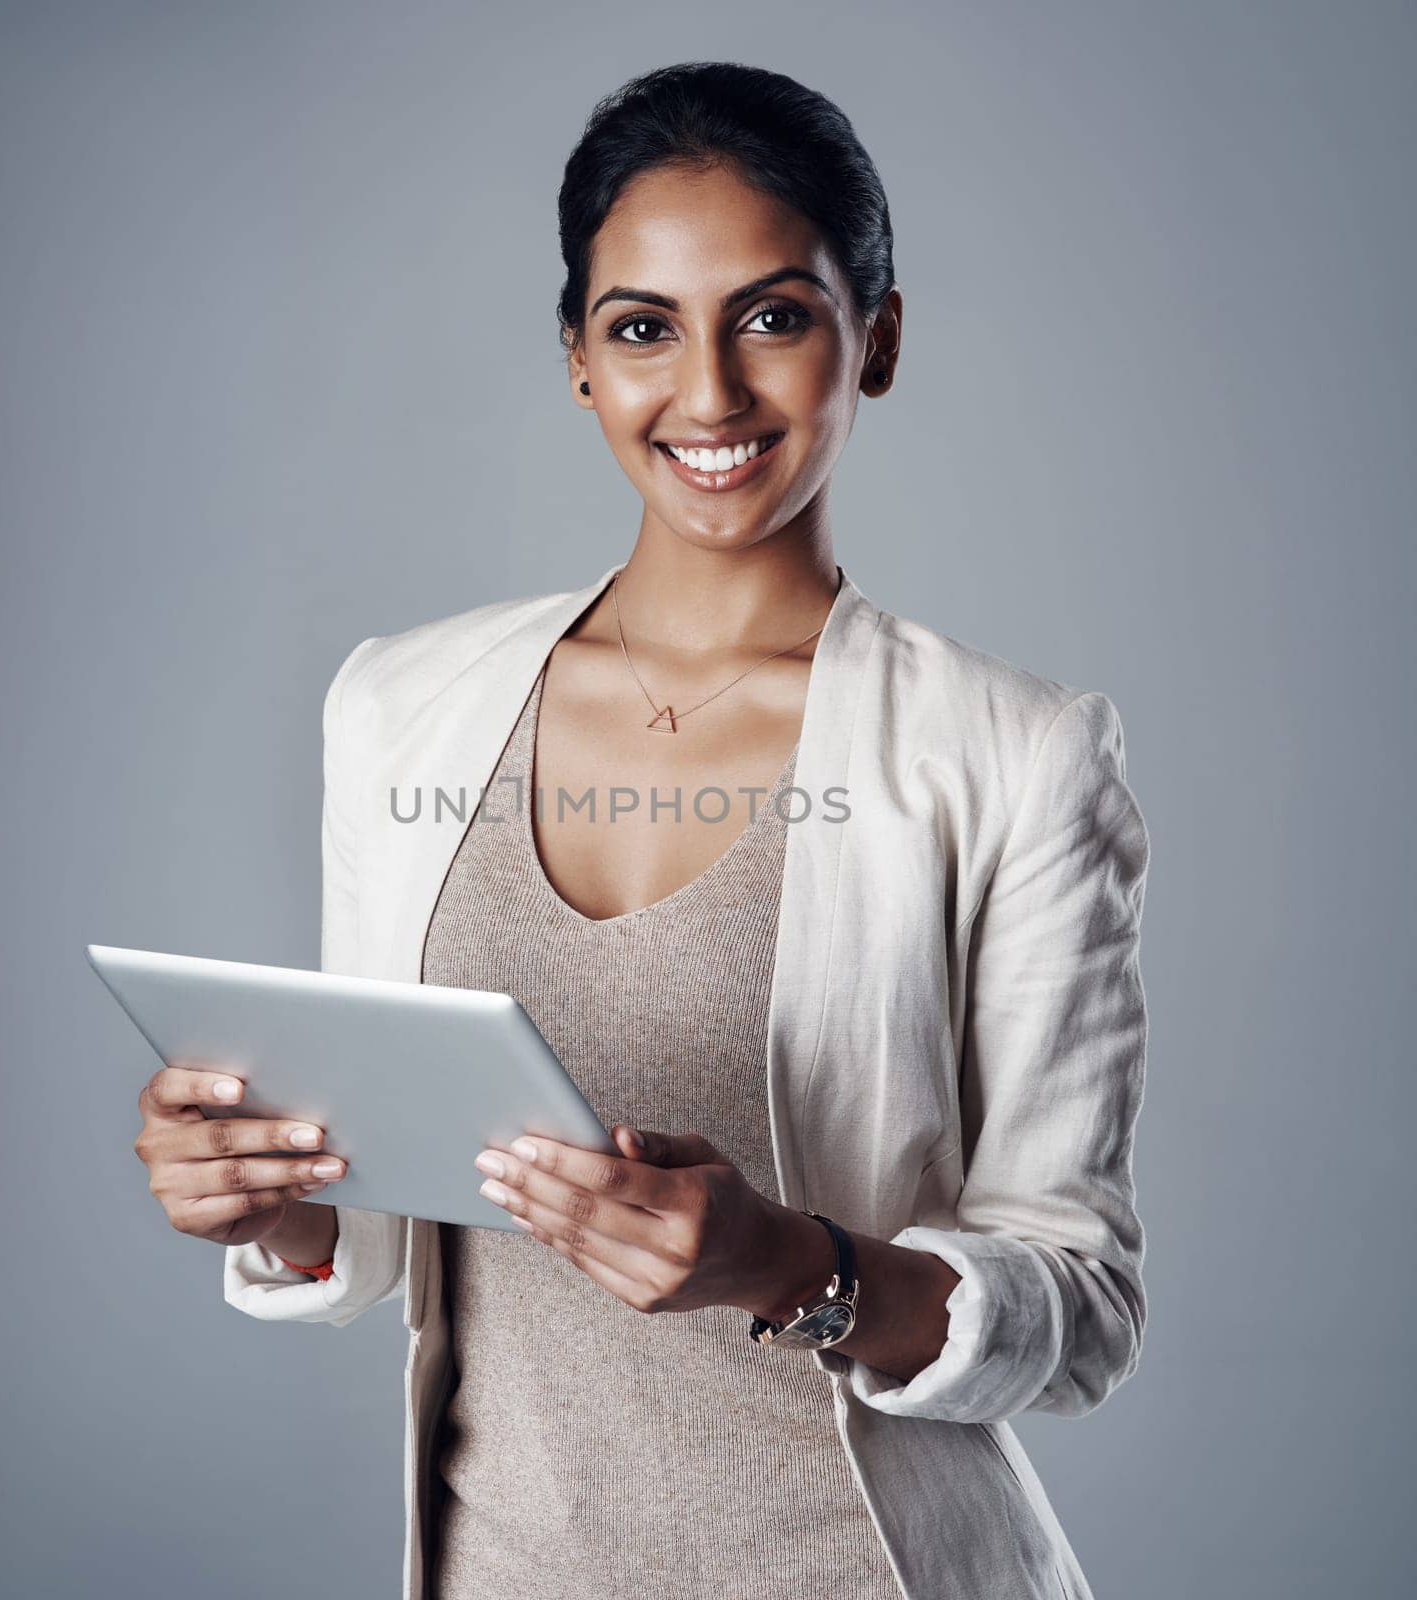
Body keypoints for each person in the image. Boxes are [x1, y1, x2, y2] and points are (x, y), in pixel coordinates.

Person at [133, 61, 1151, 1600]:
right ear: (577, 361)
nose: (711, 395)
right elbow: (386, 1219)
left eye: (775, 315)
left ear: (876, 339)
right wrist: (279, 1210)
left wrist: (787, 1269)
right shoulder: (398, 708)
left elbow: (1080, 1310)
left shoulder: (1016, 755)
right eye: (642, 328)